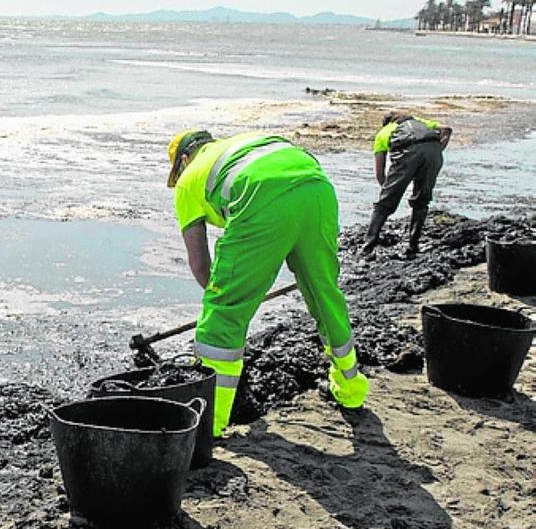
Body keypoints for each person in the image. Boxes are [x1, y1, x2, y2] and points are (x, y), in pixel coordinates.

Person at [165, 130, 370, 437]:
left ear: (183, 160)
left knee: (223, 312)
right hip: (317, 188)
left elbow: (200, 265)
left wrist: (232, 299)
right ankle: (351, 389)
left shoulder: (188, 180)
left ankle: (211, 423)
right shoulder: (241, 144)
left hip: (261, 198)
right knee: (324, 294)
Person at [361, 112, 452, 259]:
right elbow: (447, 129)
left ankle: (367, 247)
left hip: (407, 152)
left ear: (387, 123)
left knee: (384, 205)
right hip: (433, 152)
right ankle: (413, 246)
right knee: (421, 200)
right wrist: (438, 150)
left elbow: (380, 173)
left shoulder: (383, 133)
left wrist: (387, 190)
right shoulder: (421, 122)